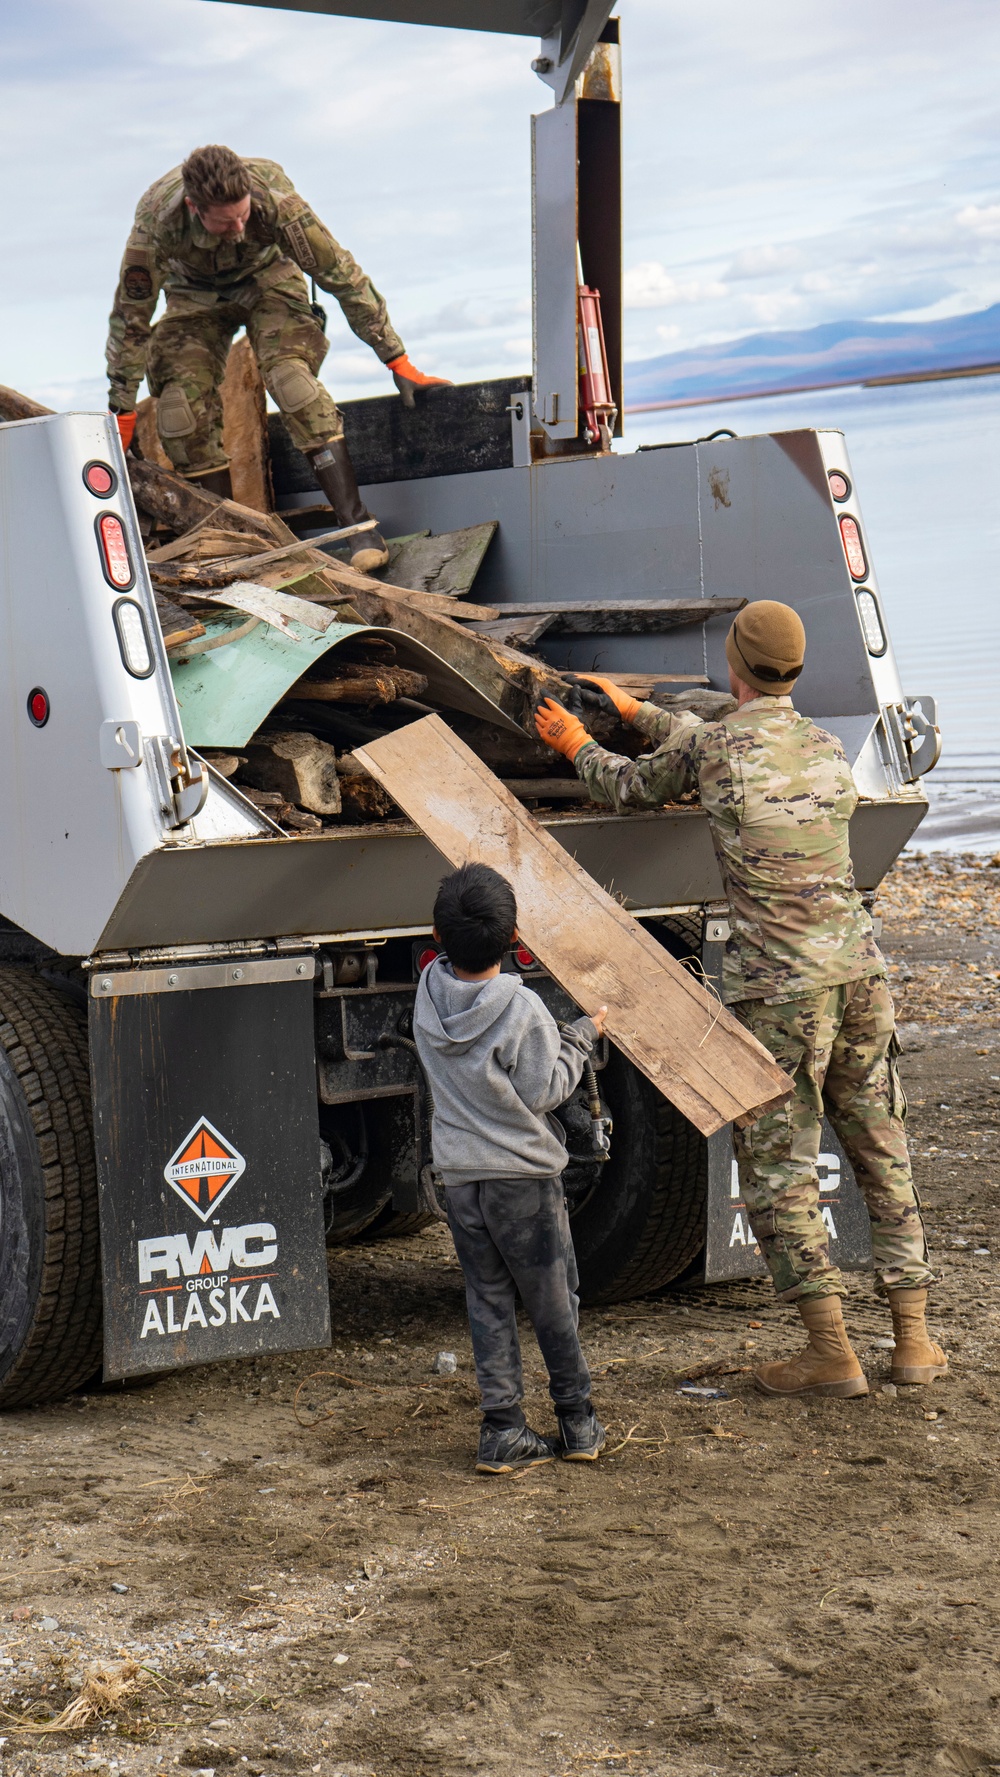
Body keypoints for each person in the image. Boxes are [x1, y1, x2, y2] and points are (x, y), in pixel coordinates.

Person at [533, 599, 947, 1400]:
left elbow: (632, 788)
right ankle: (915, 1341)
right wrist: (638, 710)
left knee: (777, 1169)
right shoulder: (827, 747)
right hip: (860, 975)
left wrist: (578, 740)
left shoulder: (720, 749)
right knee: (879, 1147)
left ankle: (830, 1353)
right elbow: (716, 744)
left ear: (733, 667)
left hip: (779, 988)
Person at [105, 143, 449, 573]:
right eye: (225, 221)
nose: (237, 227)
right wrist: (121, 406)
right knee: (179, 412)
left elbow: (341, 275)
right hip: (193, 296)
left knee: (293, 383)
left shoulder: (276, 202)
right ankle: (228, 543)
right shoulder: (156, 222)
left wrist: (395, 358)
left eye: (243, 215)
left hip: (269, 279)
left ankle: (357, 527)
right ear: (194, 207)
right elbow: (131, 317)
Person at [413, 862, 608, 1472]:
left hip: (461, 1179)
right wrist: (580, 1037)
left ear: (437, 937)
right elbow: (546, 1090)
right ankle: (578, 1423)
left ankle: (503, 1431)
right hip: (523, 1181)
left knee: (488, 1301)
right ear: (516, 938)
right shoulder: (521, 1008)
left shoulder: (427, 993)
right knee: (553, 1301)